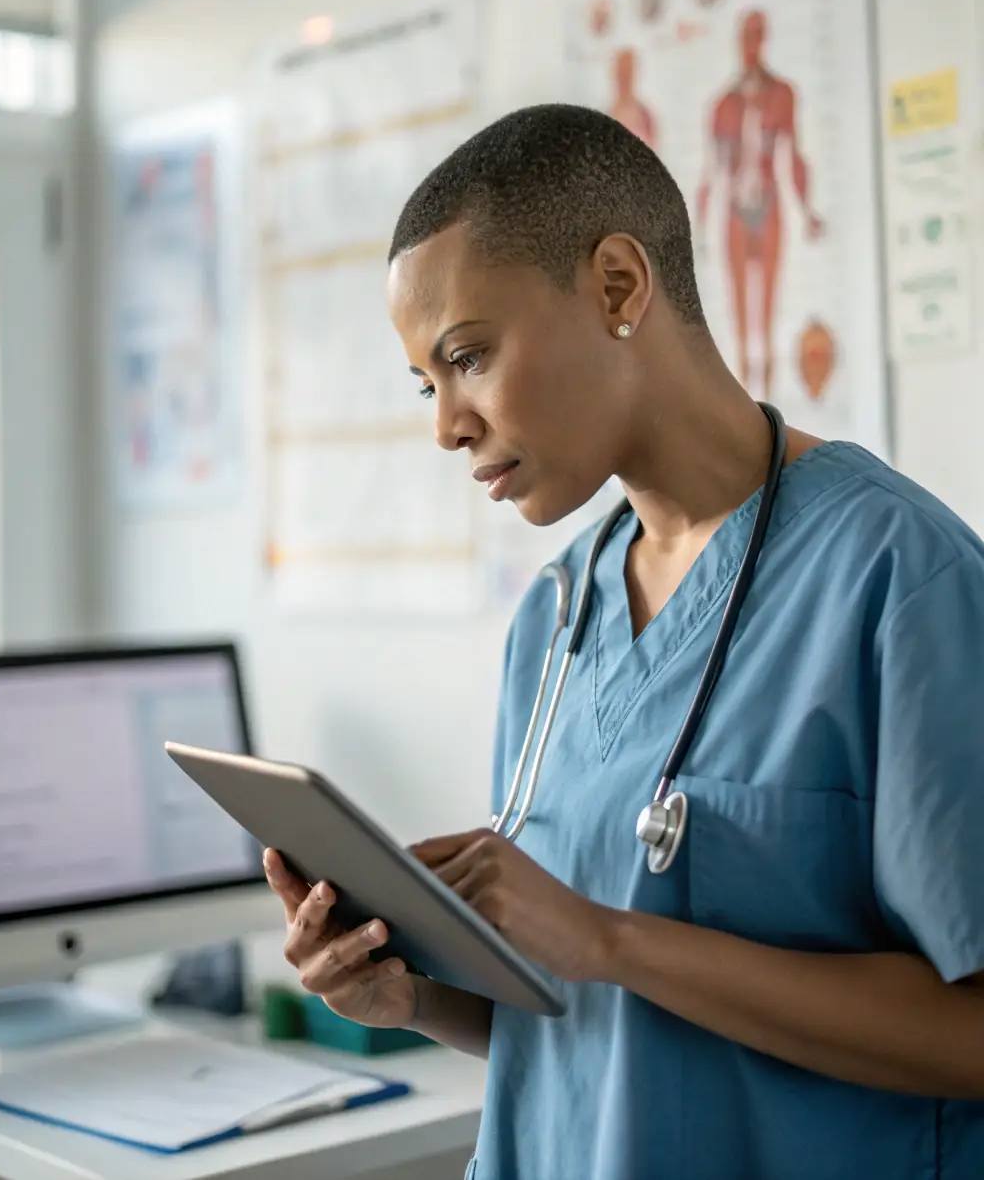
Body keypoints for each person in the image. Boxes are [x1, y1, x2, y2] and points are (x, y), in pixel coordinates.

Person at [264, 104, 984, 1180]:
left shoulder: (895, 577)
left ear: (616, 286)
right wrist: (409, 994)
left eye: (467, 356)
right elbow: (580, 1025)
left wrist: (611, 937)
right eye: (427, 383)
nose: (445, 424)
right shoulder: (556, 621)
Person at [696, 9, 824, 397]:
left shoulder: (782, 95)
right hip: (735, 209)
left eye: (757, 36)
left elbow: (794, 155)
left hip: (767, 204)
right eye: (745, 37)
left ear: (764, 40)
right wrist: (697, 227)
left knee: (765, 310)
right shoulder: (722, 105)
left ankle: (767, 403)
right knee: (738, 313)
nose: (750, 46)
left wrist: (807, 210)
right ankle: (742, 401)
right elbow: (711, 170)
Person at [608, 47, 659, 147]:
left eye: (628, 71)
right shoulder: (603, 115)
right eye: (621, 71)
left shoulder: (646, 118)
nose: (624, 77)